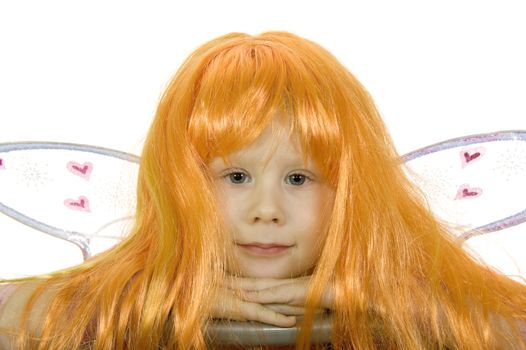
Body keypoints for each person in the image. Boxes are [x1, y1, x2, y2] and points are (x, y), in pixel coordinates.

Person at [1, 30, 526, 349]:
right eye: (236, 177)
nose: (266, 211)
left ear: (349, 191)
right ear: (181, 185)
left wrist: (395, 303)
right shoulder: (132, 301)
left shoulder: (403, 300)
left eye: (298, 179)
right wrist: (145, 300)